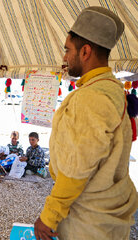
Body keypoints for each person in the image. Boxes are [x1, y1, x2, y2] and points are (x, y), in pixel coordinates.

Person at [34, 7, 138, 240]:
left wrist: (48, 217)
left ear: (85, 51)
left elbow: (76, 170)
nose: (64, 57)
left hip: (88, 227)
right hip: (105, 223)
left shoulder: (90, 98)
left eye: (67, 50)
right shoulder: (112, 89)